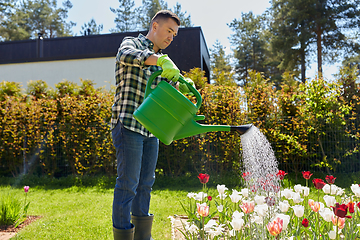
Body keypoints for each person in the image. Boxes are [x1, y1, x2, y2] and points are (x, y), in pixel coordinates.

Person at [110, 10, 193, 240]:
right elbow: (126, 55)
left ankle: (143, 237)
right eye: (169, 31)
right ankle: (125, 236)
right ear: (155, 26)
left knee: (146, 183)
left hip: (151, 129)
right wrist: (161, 60)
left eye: (175, 35)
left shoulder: (164, 61)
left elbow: (166, 95)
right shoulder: (132, 42)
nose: (171, 38)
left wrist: (182, 85)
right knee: (128, 184)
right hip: (128, 124)